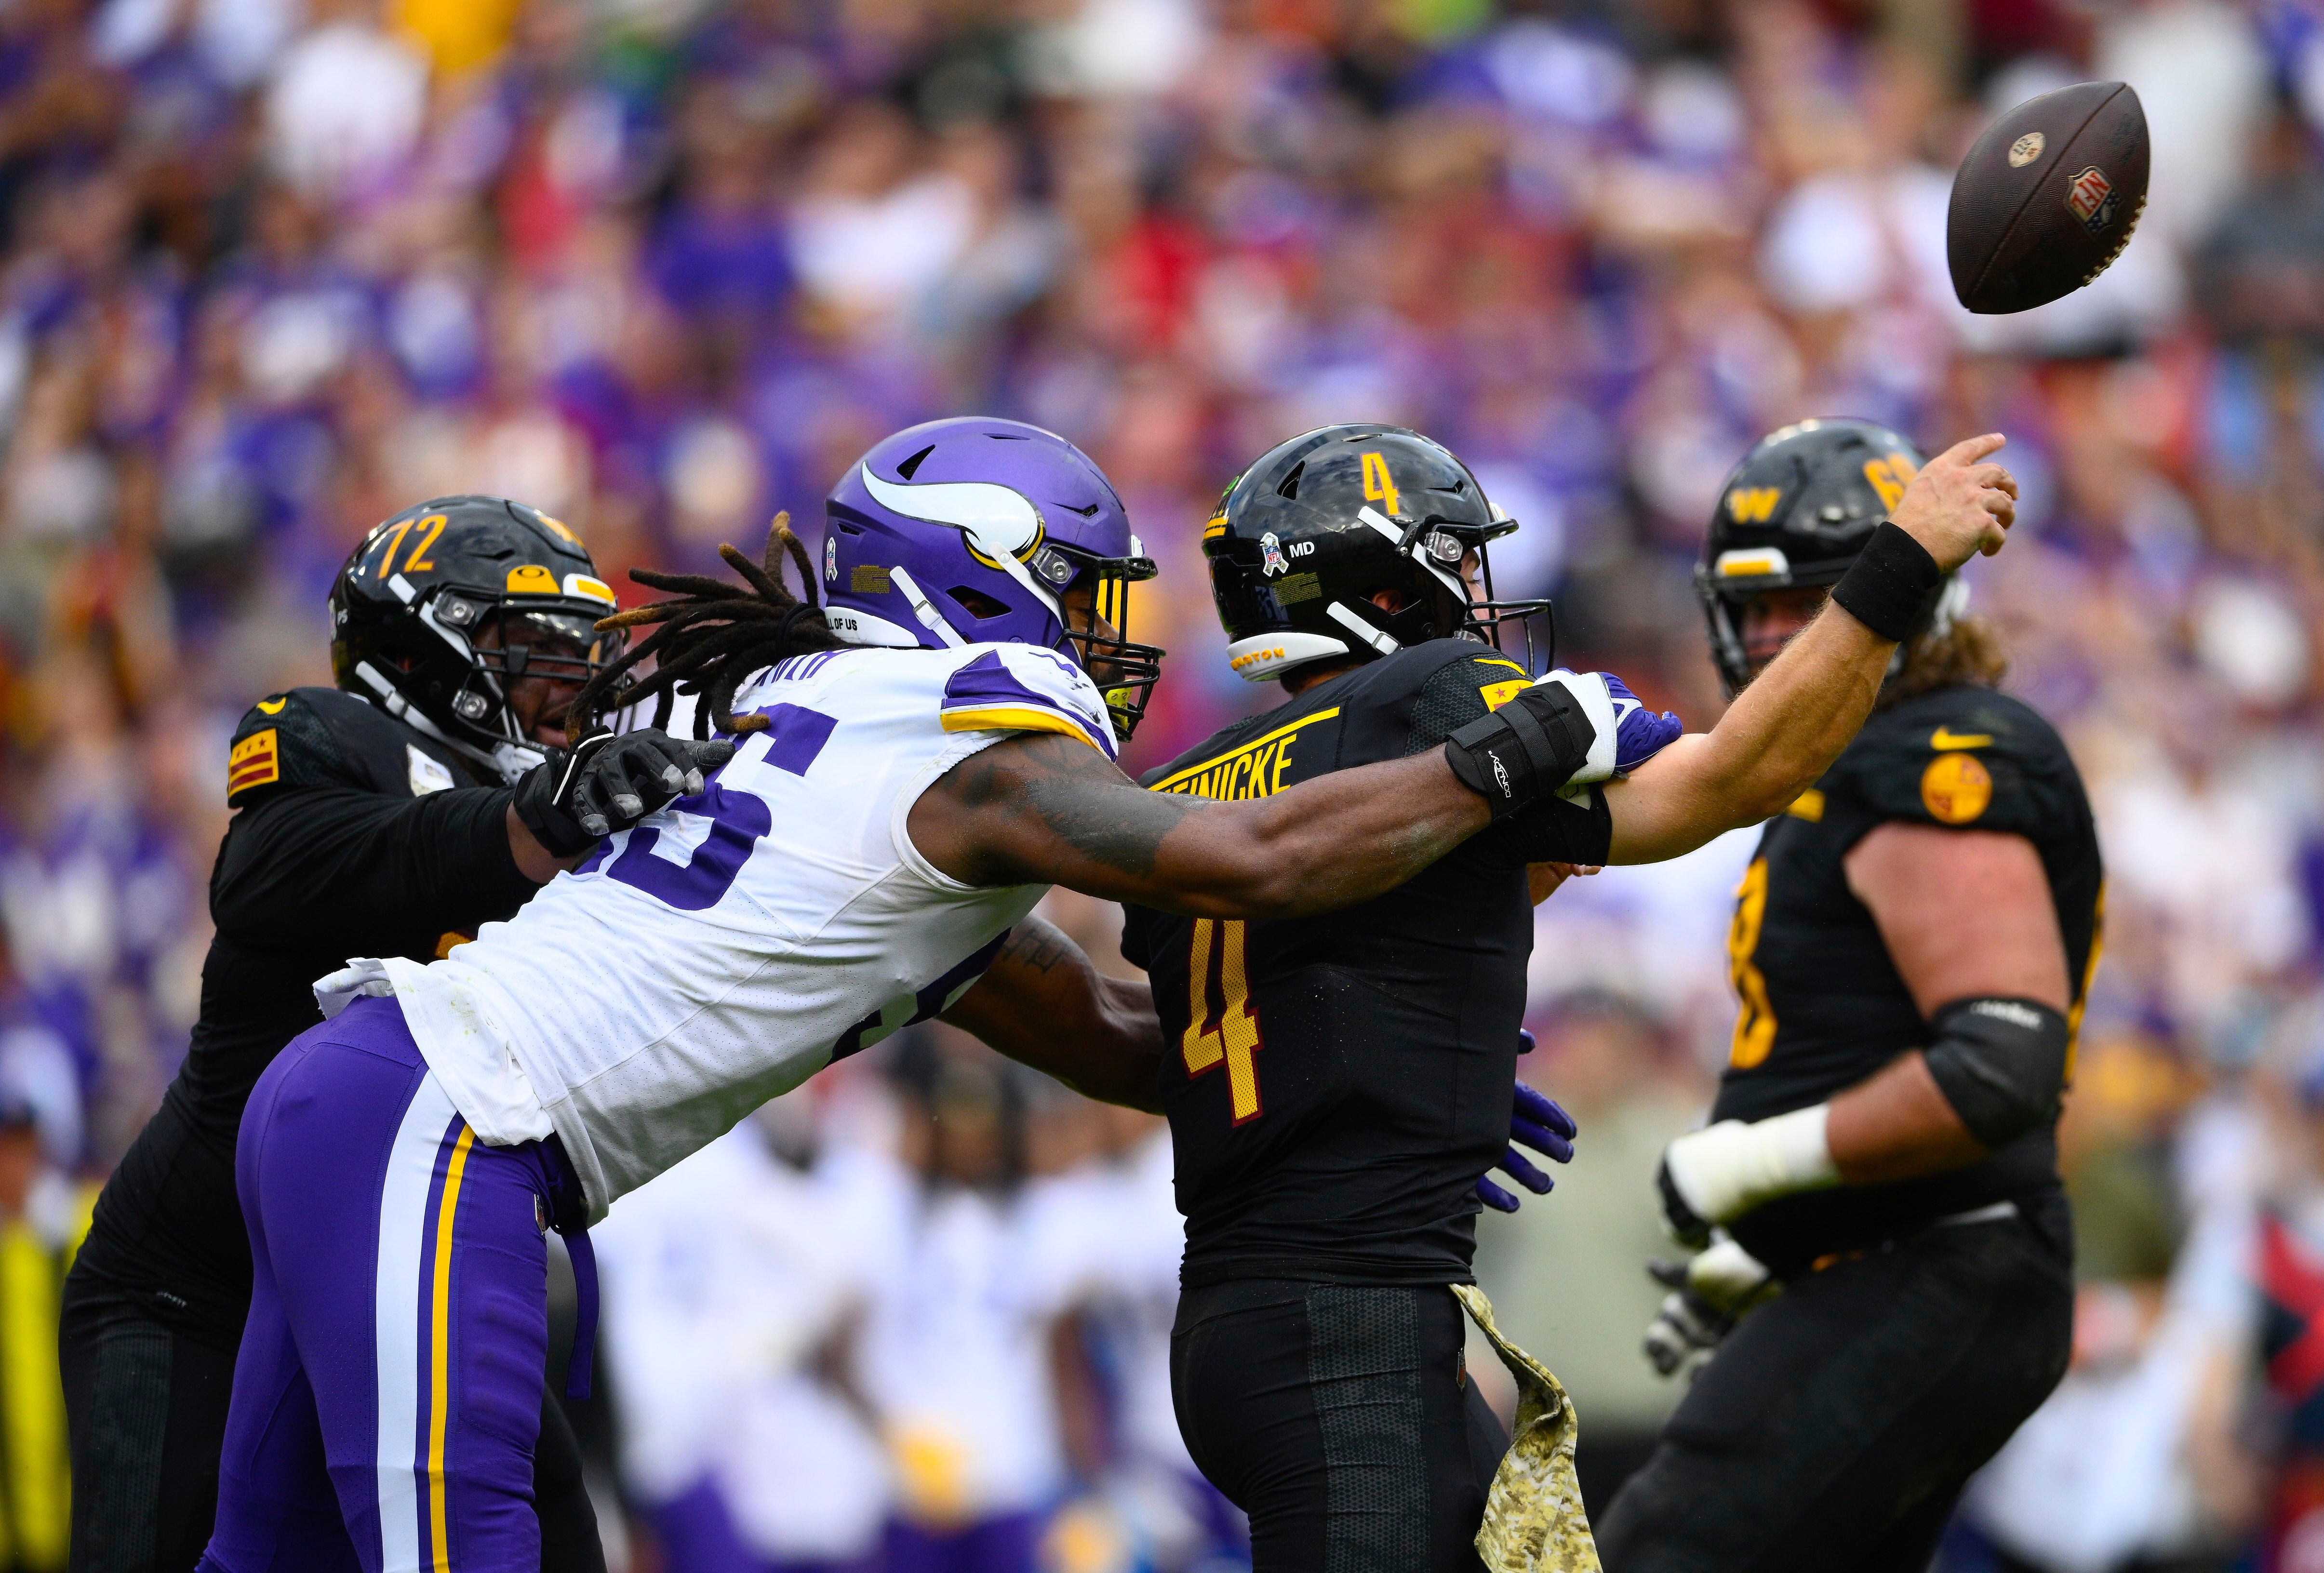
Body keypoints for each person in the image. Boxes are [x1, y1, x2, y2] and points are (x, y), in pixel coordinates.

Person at [198, 411, 2011, 1572]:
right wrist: (1513, 748)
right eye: (1075, 589)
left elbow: (1137, 1038)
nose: (1110, 633)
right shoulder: (969, 752)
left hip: (378, 1104)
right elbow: (1252, 866)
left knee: (263, 1555)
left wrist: (1374, 1055)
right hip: (445, 1119)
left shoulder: (874, 784)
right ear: (978, 578)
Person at [1028, 420, 1996, 1573]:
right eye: (1458, 559)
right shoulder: (1438, 691)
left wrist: (1423, 1063)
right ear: (1389, 586)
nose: (1481, 594)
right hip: (1350, 1330)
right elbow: (1737, 777)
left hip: (1264, 1323)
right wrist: (1899, 568)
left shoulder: (1191, 786)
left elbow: (1272, 1001)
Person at [62, 495, 730, 1573]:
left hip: (416, 1267)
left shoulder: (571, 798)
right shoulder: (332, 735)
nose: (569, 687)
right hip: (197, 1292)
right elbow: (274, 874)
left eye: (577, 656)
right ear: (425, 650)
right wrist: (524, 828)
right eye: (532, 652)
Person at [1596, 419, 2104, 1573]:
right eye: (1763, 608)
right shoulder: (1858, 764)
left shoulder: (1929, 752)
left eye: (1822, 597)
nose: (1790, 637)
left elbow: (1997, 1066)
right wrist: (1778, 1239)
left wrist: (1756, 1169)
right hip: (1910, 1258)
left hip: (1941, 1262)